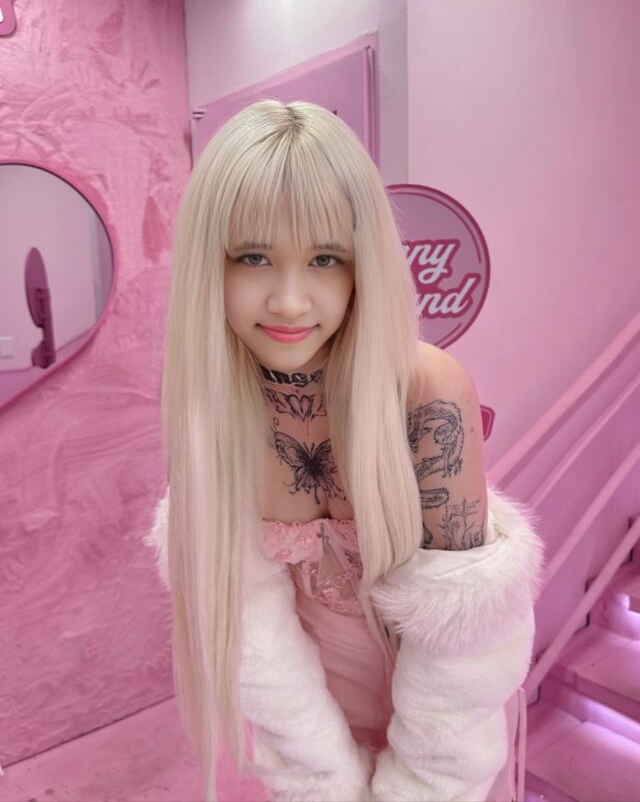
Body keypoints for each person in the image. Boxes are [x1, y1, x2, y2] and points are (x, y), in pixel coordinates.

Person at [144, 99, 545, 802]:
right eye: (254, 257)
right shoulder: (213, 410)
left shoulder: (424, 391)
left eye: (325, 258)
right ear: (213, 263)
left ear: (364, 264)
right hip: (313, 724)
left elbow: (464, 648)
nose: (290, 300)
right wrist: (316, 776)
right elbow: (249, 636)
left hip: (443, 734)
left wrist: (423, 787)